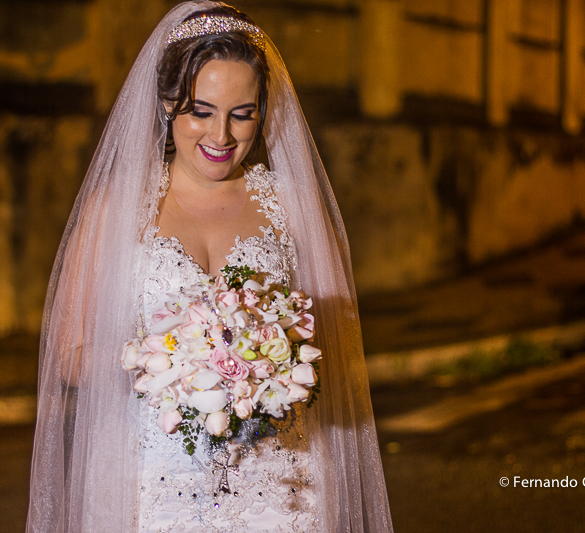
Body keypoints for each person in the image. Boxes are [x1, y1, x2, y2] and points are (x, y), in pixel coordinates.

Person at [26, 2, 393, 532]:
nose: (221, 136)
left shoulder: (288, 204)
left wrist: (273, 360)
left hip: (281, 486)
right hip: (154, 483)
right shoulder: (121, 207)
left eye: (242, 113)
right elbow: (69, 356)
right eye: (201, 111)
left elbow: (338, 347)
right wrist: (175, 365)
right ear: (167, 105)